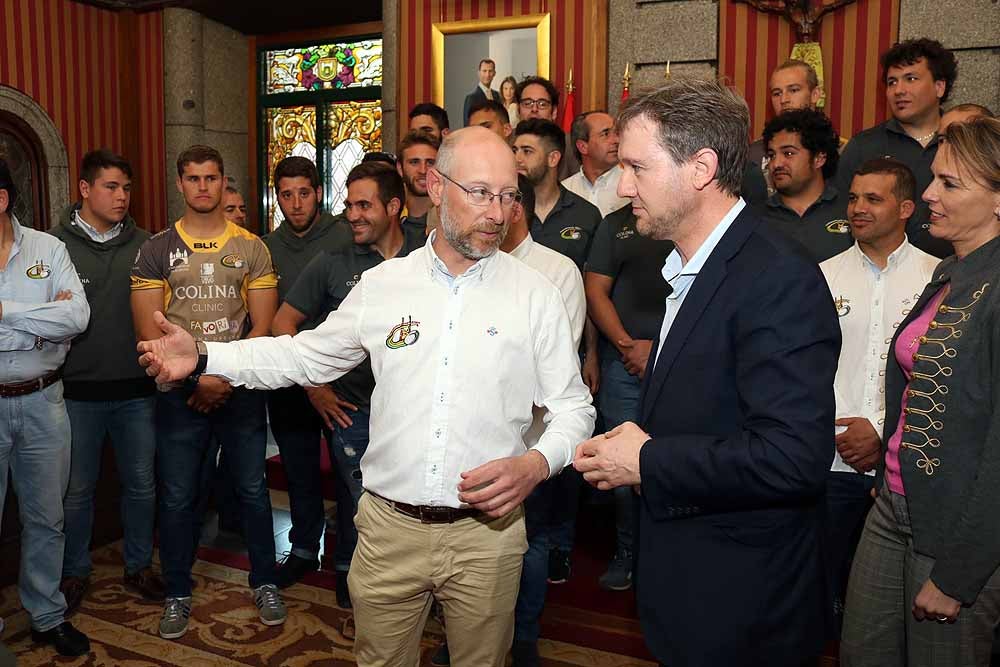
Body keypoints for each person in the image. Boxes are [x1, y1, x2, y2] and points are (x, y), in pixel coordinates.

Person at [136, 126, 596, 667]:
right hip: (388, 532)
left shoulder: (535, 295)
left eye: (507, 195)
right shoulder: (384, 285)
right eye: (479, 192)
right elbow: (303, 356)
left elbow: (574, 407)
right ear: (436, 185)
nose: (496, 212)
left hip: (486, 539)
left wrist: (538, 464)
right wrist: (206, 355)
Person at [573, 79, 840, 667]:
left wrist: (646, 460)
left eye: (638, 168)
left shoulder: (776, 277)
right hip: (697, 583)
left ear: (701, 168)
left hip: (745, 603)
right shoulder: (692, 267)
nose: (622, 187)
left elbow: (793, 459)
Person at [840, 117, 1000, 667]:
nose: (929, 193)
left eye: (950, 184)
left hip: (958, 531)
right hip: (895, 504)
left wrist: (959, 576)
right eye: (934, 178)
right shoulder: (952, 271)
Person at [130, 145, 285, 640]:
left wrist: (223, 377)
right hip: (179, 394)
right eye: (193, 178)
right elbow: (151, 335)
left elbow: (264, 329)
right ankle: (177, 590)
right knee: (177, 497)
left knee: (253, 491)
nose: (203, 186)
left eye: (211, 177)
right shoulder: (155, 250)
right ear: (180, 184)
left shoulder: (253, 247)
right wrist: (199, 380)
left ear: (224, 183)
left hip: (239, 390)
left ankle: (265, 582)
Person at [270, 161, 425, 609]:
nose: (352, 215)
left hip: (414, 411)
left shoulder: (428, 254)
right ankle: (354, 576)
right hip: (354, 411)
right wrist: (315, 385)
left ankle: (411, 587)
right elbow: (283, 323)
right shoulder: (333, 261)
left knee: (411, 506)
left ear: (393, 207)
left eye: (363, 205)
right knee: (361, 504)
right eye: (348, 205)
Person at [819, 157, 939, 634]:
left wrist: (883, 430)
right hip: (829, 456)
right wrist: (844, 429)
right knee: (821, 590)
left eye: (873, 198)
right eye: (852, 198)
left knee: (886, 606)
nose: (858, 208)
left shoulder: (939, 280)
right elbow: (810, 368)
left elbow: (934, 378)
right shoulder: (822, 275)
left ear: (907, 207)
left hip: (902, 464)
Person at [53, 150, 164, 616]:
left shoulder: (147, 245)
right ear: (84, 189)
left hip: (137, 389)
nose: (122, 197)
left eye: (126, 187)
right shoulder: (53, 246)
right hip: (77, 392)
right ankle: (75, 571)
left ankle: (137, 564)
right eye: (110, 187)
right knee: (77, 491)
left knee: (141, 484)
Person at [0, 158, 92, 657]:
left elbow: (76, 316)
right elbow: (56, 319)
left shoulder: (48, 248)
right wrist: (40, 321)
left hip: (43, 400)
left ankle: (46, 614)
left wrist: (6, 313)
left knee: (46, 517)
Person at [513, 118, 602, 584]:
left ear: (515, 210)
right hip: (481, 436)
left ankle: (524, 638)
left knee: (532, 538)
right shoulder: (474, 265)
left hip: (536, 429)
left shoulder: (556, 270)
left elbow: (555, 359)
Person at [261, 155, 353, 591]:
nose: (295, 203)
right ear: (277, 196)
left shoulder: (343, 236)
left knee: (350, 473)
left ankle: (348, 562)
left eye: (304, 193)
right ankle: (302, 548)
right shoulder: (265, 246)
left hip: (344, 377)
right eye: (286, 194)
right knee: (298, 470)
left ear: (319, 193)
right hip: (289, 378)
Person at [584, 202, 674, 591]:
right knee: (620, 462)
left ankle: (663, 556)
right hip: (623, 364)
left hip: (680, 362)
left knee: (672, 460)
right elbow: (595, 291)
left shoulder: (682, 217)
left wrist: (658, 352)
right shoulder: (613, 224)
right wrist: (626, 346)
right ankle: (627, 551)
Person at [837, 38, 958, 258]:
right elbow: (842, 217)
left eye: (910, 79)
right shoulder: (864, 146)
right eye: (892, 82)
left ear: (939, 87)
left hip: (956, 270)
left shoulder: (960, 143)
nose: (898, 90)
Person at [759, 108, 852, 262]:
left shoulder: (850, 211)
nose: (776, 163)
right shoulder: (756, 219)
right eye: (771, 155)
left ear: (819, 159)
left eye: (788, 153)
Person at [562, 111, 629, 217]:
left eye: (616, 133)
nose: (616, 140)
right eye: (606, 134)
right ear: (583, 147)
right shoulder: (565, 190)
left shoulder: (631, 186)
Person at [515, 76, 577, 179]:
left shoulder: (570, 146)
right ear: (518, 110)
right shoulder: (506, 144)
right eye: (527, 103)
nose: (534, 109)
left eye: (542, 104)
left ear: (554, 112)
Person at [396, 130, 439, 226]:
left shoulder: (452, 219)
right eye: (414, 162)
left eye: (430, 163)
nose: (423, 170)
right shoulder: (388, 219)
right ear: (400, 168)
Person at [463, 58, 499, 126]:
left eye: (490, 71)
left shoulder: (497, 95)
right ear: (479, 73)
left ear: (494, 73)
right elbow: (467, 126)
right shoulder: (471, 98)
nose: (487, 75)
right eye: (484, 71)